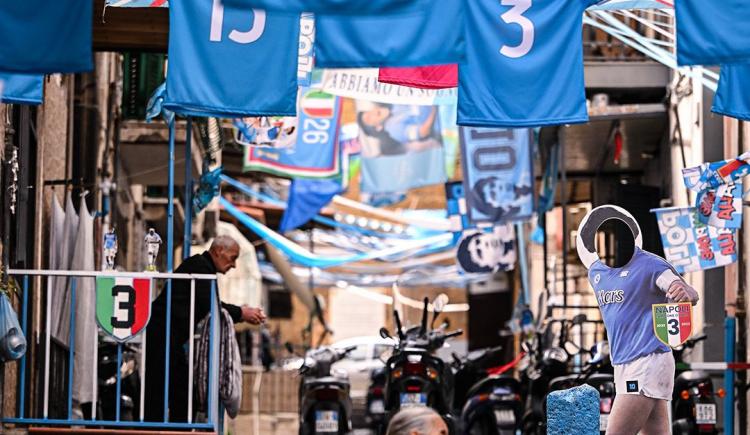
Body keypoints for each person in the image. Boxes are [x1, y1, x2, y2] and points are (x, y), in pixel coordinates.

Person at [578, 210, 699, 435]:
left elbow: (689, 292)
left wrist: (685, 293)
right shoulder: (596, 272)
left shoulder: (651, 266)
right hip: (623, 363)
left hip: (647, 361)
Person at [144, 235, 266, 422]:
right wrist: (242, 312)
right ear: (218, 251)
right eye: (232, 258)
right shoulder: (200, 267)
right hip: (163, 335)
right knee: (167, 392)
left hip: (169, 337)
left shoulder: (203, 267)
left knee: (176, 392)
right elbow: (212, 304)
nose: (233, 265)